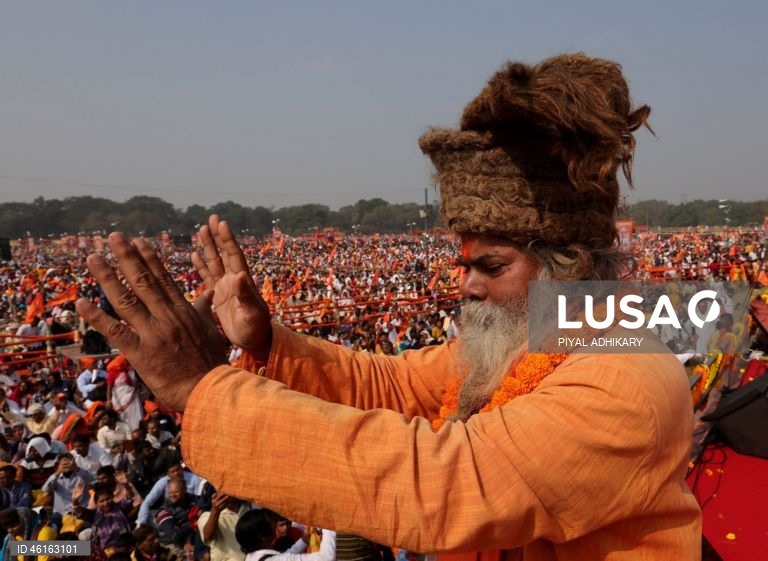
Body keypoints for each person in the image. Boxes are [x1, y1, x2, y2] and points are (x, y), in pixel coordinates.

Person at [76, 54, 701, 560]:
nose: (468, 287)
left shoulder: (627, 374)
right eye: (466, 267)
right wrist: (268, 344)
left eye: (492, 267)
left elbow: (451, 483)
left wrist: (205, 388)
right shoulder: (539, 335)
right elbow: (396, 384)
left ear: (573, 270)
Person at [234, 509, 336, 561]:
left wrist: (304, 540)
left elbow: (285, 556)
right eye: (270, 522)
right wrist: (328, 525)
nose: (274, 524)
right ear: (262, 536)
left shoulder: (251, 557)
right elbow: (326, 558)